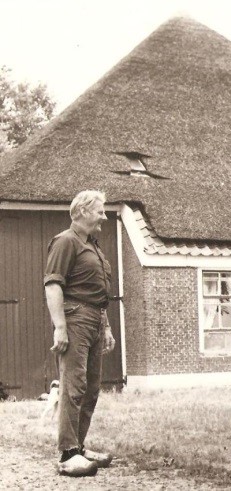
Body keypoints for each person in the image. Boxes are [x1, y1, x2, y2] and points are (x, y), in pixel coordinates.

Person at [44, 190, 116, 476]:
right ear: (84, 211)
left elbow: (98, 292)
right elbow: (53, 285)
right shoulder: (65, 241)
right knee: (73, 386)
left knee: (91, 387)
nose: (104, 216)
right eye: (100, 211)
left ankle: (79, 446)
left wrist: (107, 325)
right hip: (75, 318)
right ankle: (67, 454)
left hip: (96, 318)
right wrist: (60, 326)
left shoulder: (93, 246)